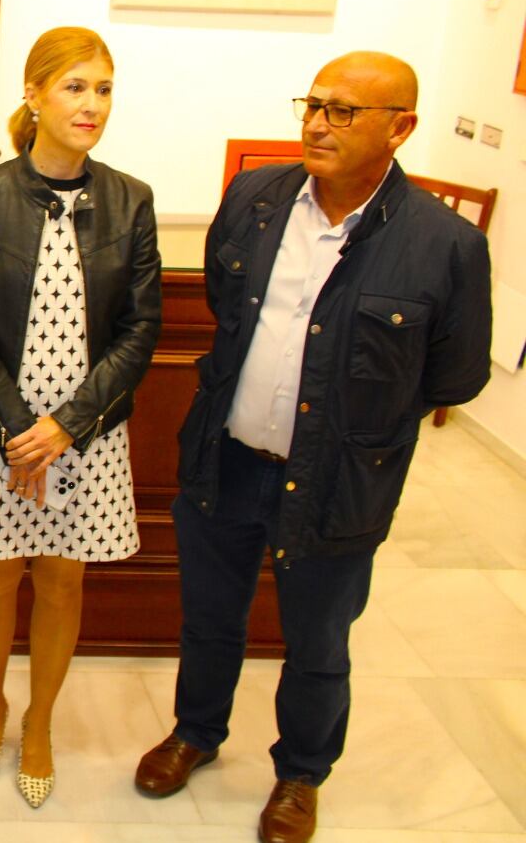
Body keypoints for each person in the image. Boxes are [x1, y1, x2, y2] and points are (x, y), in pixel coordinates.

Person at [134, 52, 492, 843]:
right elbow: (232, 310)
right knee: (211, 619)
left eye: (342, 112)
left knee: (318, 641)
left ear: (401, 128)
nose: (316, 123)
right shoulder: (256, 199)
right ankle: (197, 732)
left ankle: (300, 775)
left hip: (336, 482)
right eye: (313, 103)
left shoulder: (444, 246)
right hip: (227, 458)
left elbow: (453, 378)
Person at [0, 27, 161, 807]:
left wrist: (68, 426)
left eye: (103, 88)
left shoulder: (131, 200)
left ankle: (41, 722)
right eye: (74, 87)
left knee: (63, 584)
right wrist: (18, 433)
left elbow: (140, 329)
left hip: (86, 435)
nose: (92, 103)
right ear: (33, 95)